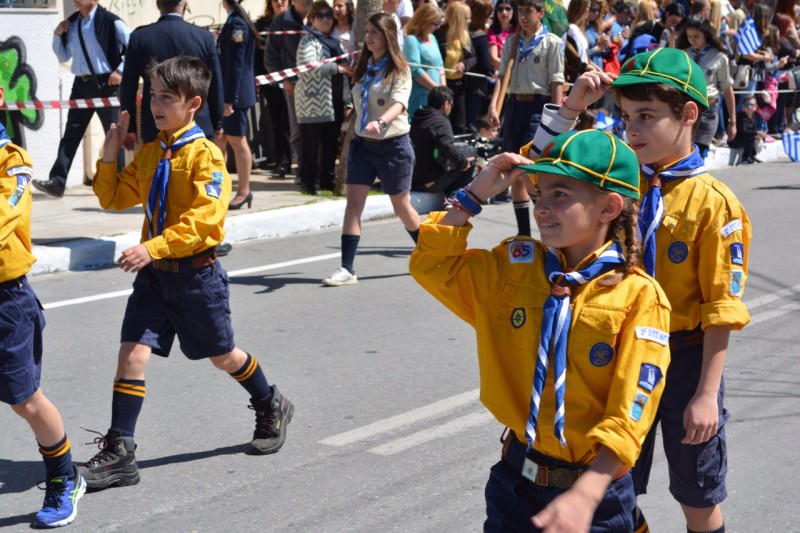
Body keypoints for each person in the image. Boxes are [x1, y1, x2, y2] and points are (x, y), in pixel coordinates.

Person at [409, 129, 671, 531]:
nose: (541, 209)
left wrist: (586, 495)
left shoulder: (637, 297)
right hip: (518, 481)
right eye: (539, 195)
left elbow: (631, 410)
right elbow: (433, 266)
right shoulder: (515, 268)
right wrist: (475, 192)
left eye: (560, 195)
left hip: (597, 495)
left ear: (609, 207)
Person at [552, 49, 751, 533]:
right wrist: (573, 108)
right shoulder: (619, 183)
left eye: (646, 116)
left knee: (696, 494)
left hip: (684, 359)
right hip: (617, 354)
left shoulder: (714, 204)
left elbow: (721, 309)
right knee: (612, 484)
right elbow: (549, 171)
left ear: (688, 115)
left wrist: (705, 394)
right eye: (623, 117)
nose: (631, 130)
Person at [80, 56, 294, 490]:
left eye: (165, 98)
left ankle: (271, 402)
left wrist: (150, 246)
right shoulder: (151, 151)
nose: (155, 106)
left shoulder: (206, 157)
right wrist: (108, 155)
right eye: (151, 96)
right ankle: (121, 451)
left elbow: (204, 223)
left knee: (223, 356)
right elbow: (114, 197)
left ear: (192, 103)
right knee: (132, 356)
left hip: (197, 278)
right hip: (155, 277)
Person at [0, 84, 86, 529]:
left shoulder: (13, 162)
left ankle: (64, 477)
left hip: (6, 300)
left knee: (24, 399)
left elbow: (4, 217)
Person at [322, 13, 419, 287]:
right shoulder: (364, 66)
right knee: (353, 204)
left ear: (388, 36)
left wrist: (381, 121)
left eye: (375, 32)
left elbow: (399, 103)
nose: (369, 37)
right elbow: (360, 94)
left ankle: (429, 252)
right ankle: (347, 268)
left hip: (393, 146)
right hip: (363, 145)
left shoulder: (400, 69)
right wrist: (358, 111)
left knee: (401, 206)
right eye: (367, 32)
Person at [32, 0, 131, 198]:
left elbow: (134, 48)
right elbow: (63, 56)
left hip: (107, 85)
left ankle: (118, 184)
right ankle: (57, 182)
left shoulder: (111, 21)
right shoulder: (71, 23)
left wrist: (120, 71)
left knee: (113, 135)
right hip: (81, 85)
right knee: (71, 134)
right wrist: (57, 35)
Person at [487, 0, 565, 237]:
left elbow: (556, 82)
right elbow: (502, 77)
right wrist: (493, 107)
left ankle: (549, 216)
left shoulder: (551, 43)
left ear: (541, 13)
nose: (523, 16)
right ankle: (523, 233)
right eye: (520, 11)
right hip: (513, 105)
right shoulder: (512, 42)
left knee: (528, 166)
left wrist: (557, 118)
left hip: (538, 106)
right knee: (514, 168)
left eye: (528, 11)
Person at [119, 0, 224, 150]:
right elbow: (214, 85)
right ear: (185, 7)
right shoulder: (204, 37)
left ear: (158, 4)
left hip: (155, 125)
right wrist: (218, 122)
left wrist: (130, 128)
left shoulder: (140, 37)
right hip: (197, 122)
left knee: (156, 173)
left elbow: (128, 87)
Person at [295, 0, 351, 195]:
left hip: (333, 102)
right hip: (313, 103)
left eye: (329, 15)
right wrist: (338, 68)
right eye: (320, 16)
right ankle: (308, 182)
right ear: (312, 19)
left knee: (330, 144)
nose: (326, 19)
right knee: (310, 146)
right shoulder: (309, 40)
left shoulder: (332, 39)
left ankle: (327, 180)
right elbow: (309, 66)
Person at [677, 15, 737, 157]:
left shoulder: (719, 56)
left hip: (708, 110)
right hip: (686, 109)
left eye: (696, 36)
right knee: (684, 154)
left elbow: (727, 89)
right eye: (689, 36)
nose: (693, 40)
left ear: (706, 34)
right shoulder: (684, 55)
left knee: (700, 153)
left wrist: (732, 122)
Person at [266, 0, 313, 182]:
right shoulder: (280, 23)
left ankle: (320, 169)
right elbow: (270, 56)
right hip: (294, 87)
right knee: (298, 131)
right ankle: (303, 169)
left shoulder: (320, 15)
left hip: (321, 85)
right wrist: (284, 79)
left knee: (320, 128)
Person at [218, 0, 258, 210]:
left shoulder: (237, 25)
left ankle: (244, 191)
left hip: (234, 95)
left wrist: (228, 100)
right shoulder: (234, 20)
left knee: (237, 141)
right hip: (230, 93)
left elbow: (235, 65)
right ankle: (218, 191)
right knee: (221, 140)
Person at [410, 86, 474, 195]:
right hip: (429, 181)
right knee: (469, 165)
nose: (451, 108)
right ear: (445, 104)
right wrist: (463, 162)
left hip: (413, 179)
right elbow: (447, 146)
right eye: (451, 104)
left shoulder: (418, 117)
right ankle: (452, 196)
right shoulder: (440, 121)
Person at [255, 0, 292, 174]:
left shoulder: (296, 20)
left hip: (294, 81)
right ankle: (282, 161)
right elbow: (257, 54)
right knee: (278, 122)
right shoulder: (262, 24)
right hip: (271, 81)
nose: (279, 2)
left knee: (295, 124)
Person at [435, 1, 475, 134]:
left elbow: (473, 58)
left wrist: (464, 64)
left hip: (459, 86)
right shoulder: (440, 34)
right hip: (442, 85)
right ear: (457, 17)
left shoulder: (466, 35)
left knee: (460, 123)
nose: (469, 21)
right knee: (442, 121)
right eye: (466, 17)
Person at [403, 3, 446, 120]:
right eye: (435, 23)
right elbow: (415, 69)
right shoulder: (411, 40)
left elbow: (440, 65)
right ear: (424, 21)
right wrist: (436, 89)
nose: (438, 27)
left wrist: (443, 88)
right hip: (421, 95)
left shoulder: (433, 38)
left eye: (439, 23)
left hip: (436, 97)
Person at [465, 0, 496, 128]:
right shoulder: (481, 37)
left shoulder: (464, 33)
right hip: (476, 86)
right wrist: (495, 73)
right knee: (471, 122)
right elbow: (485, 65)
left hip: (462, 84)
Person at [727, 94, 761, 164]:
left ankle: (752, 155)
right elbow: (744, 131)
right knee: (750, 137)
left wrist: (758, 135)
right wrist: (756, 133)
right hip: (737, 140)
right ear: (743, 107)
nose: (750, 107)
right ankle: (746, 157)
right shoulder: (741, 117)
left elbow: (754, 130)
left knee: (754, 137)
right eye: (748, 105)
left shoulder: (754, 117)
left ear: (756, 107)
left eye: (752, 105)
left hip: (746, 139)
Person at [487, 0, 517, 70]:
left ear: (513, 10)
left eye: (508, 8)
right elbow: (493, 59)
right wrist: (513, 67)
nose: (504, 12)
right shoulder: (492, 31)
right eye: (500, 9)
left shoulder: (518, 31)